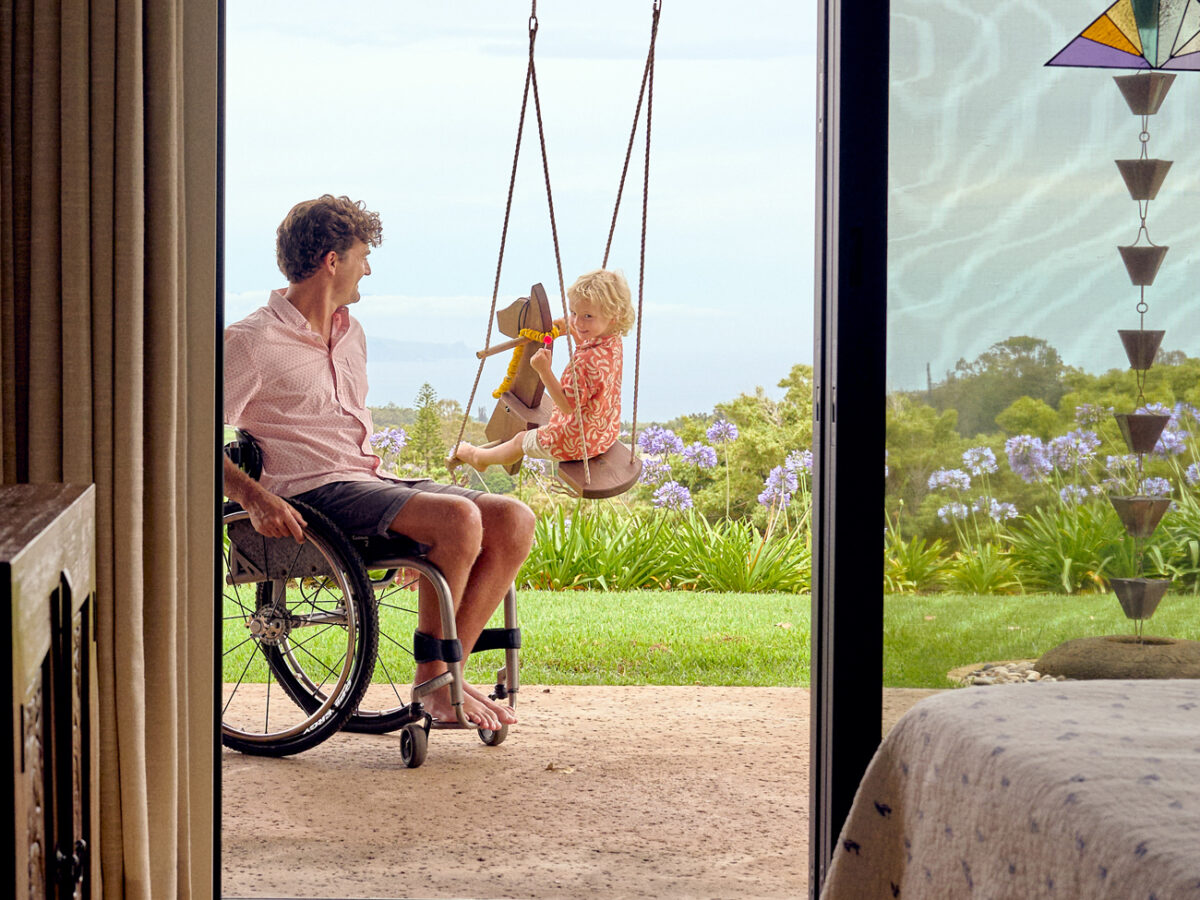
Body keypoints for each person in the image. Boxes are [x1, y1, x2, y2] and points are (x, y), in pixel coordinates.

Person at [223, 194, 533, 731]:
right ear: (332, 260)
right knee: (457, 519)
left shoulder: (352, 334)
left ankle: (446, 676)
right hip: (311, 493)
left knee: (513, 518)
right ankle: (435, 685)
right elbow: (184, 433)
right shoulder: (252, 341)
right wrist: (254, 496)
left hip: (368, 480)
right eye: (363, 256)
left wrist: (412, 519)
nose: (368, 269)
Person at [449, 267, 634, 471]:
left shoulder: (585, 361)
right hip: (603, 433)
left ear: (613, 316)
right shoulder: (612, 341)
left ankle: (479, 458)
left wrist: (543, 370)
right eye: (574, 313)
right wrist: (573, 331)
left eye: (588, 316)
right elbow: (590, 370)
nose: (577, 322)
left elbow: (567, 406)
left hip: (575, 442)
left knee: (520, 440)